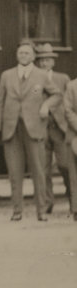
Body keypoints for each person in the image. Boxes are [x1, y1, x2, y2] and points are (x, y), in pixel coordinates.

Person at [0, 40, 61, 221]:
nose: (23, 56)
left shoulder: (42, 75)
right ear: (16, 55)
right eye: (21, 53)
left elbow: (57, 94)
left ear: (34, 56)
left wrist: (46, 105)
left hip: (34, 128)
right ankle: (17, 210)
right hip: (12, 129)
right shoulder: (7, 75)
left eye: (27, 53)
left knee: (39, 171)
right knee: (14, 172)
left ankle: (41, 211)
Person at [34, 43, 72, 214]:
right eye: (41, 60)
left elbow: (70, 102)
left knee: (65, 165)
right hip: (41, 127)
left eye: (47, 60)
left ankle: (73, 199)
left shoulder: (63, 78)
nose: (44, 63)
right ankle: (47, 203)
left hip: (60, 128)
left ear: (53, 62)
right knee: (43, 167)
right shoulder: (33, 77)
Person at [63, 75, 77, 220]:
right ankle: (76, 208)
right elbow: (68, 110)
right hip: (75, 135)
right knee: (75, 175)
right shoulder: (72, 86)